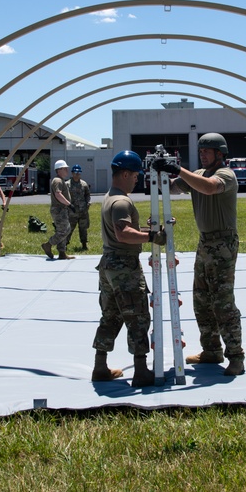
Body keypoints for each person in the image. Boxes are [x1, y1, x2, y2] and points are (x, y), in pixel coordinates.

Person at [153, 133, 245, 376]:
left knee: (223, 303)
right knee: (201, 300)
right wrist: (158, 176)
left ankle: (235, 355)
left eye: (208, 150)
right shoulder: (198, 174)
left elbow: (210, 188)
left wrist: (178, 169)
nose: (203, 154)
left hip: (223, 243)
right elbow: (173, 189)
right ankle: (211, 350)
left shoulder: (225, 175)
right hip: (205, 243)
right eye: (201, 150)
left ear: (220, 154)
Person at [91, 151, 166, 387]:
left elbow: (121, 230)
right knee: (137, 316)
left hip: (109, 264)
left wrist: (142, 231)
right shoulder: (122, 201)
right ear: (124, 173)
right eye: (134, 175)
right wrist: (152, 236)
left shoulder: (110, 197)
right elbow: (123, 234)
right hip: (124, 266)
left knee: (110, 316)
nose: (137, 179)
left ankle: (100, 366)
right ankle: (141, 371)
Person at [42, 159, 75, 260]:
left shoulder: (60, 180)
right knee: (64, 230)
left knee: (64, 229)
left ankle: (62, 253)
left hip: (62, 209)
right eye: (65, 169)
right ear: (59, 170)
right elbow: (58, 194)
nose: (67, 170)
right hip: (58, 209)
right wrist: (69, 204)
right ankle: (48, 244)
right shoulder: (57, 181)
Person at [66, 164, 92, 250]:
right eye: (75, 173)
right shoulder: (67, 184)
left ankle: (84, 244)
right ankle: (65, 244)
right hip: (72, 211)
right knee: (69, 229)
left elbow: (87, 195)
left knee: (83, 229)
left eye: (78, 173)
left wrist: (88, 202)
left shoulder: (84, 184)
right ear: (72, 173)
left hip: (83, 211)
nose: (77, 175)